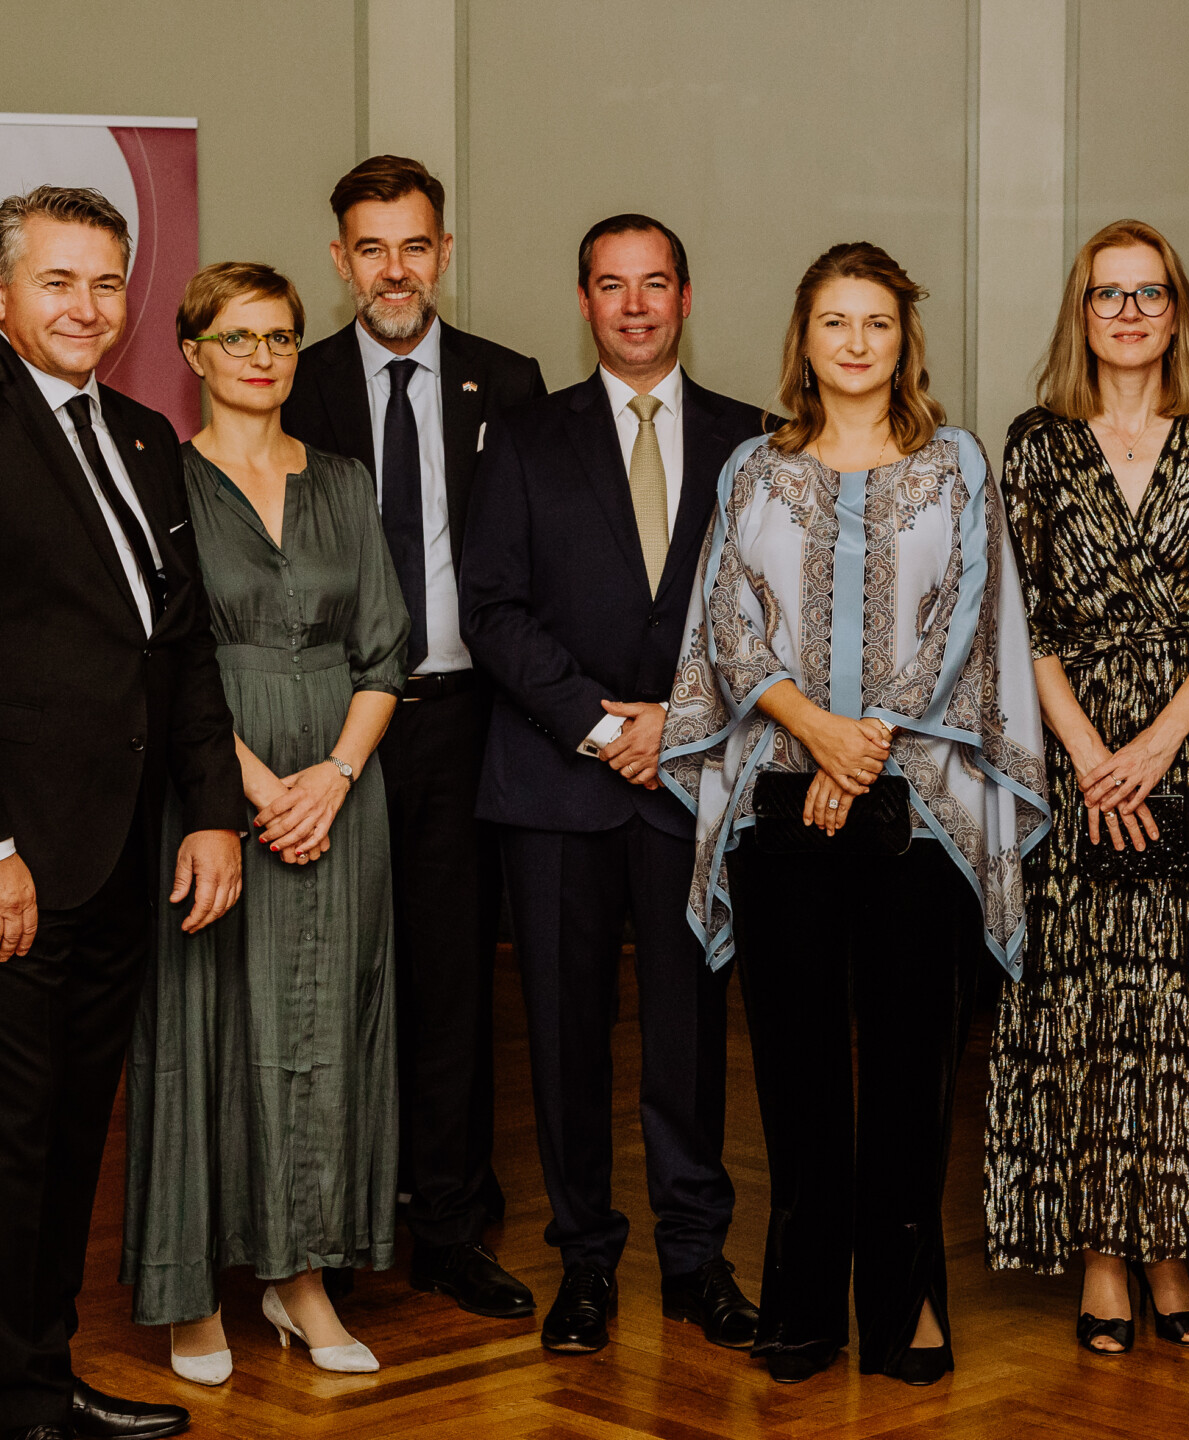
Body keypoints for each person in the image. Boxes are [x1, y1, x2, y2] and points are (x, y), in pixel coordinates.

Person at [0, 185, 242, 1440]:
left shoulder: (137, 435)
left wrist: (215, 812)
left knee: (71, 1134)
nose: (86, 306)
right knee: (7, 1139)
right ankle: (11, 1403)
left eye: (107, 282)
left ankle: (44, 1378)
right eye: (58, 281)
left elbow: (175, 651)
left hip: (112, 851)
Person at [659, 241, 1047, 1386]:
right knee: (794, 1067)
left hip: (917, 816)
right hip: (784, 811)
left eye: (876, 321)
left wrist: (862, 741)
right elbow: (729, 626)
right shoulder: (751, 471)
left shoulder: (958, 465)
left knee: (912, 1068)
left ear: (902, 339)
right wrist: (817, 736)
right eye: (836, 321)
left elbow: (965, 614)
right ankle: (802, 1302)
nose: (857, 342)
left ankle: (906, 1302)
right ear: (805, 338)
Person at [459, 214, 768, 1355]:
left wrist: (673, 725)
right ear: (582, 301)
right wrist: (599, 724)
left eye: (654, 284)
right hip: (553, 782)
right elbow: (489, 606)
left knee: (691, 1041)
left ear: (687, 297)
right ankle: (584, 1262)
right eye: (609, 286)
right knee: (563, 1035)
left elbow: (767, 622)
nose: (633, 305)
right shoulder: (523, 437)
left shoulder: (753, 443)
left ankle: (696, 1262)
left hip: (693, 784)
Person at [985, 219, 1189, 1354]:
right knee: (1088, 1009)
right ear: (1081, 311)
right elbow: (1021, 616)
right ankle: (1100, 1259)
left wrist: (1153, 743)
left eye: (1149, 294)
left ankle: (1173, 1253)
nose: (1129, 313)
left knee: (1187, 1011)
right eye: (1108, 295)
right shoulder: (1038, 443)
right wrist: (1089, 750)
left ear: (1177, 308)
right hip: (1071, 761)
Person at [120, 263, 406, 1384]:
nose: (261, 358)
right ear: (191, 353)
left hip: (344, 789)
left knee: (326, 1030)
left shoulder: (342, 478)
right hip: (211, 787)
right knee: (202, 1026)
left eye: (281, 338)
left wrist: (332, 775)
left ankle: (300, 1280)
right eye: (236, 338)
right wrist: (248, 783)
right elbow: (159, 660)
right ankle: (191, 1291)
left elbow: (384, 651)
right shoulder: (160, 484)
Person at [276, 154, 547, 1320]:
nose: (396, 268)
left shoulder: (510, 381)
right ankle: (329, 1232)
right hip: (327, 729)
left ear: (445, 252)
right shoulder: (298, 381)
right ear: (340, 260)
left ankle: (445, 1224)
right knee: (326, 981)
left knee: (448, 985)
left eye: (416, 244)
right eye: (371, 247)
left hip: (461, 725)